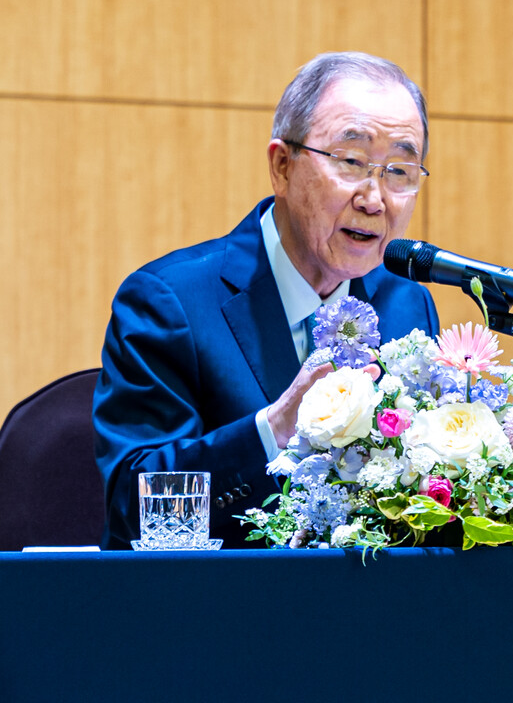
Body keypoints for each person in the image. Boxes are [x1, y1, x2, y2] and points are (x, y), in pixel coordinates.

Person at [93, 52, 440, 548]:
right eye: (351, 162)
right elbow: (132, 505)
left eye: (400, 171)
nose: (374, 199)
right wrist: (272, 430)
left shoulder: (407, 305)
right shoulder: (170, 303)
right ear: (282, 166)